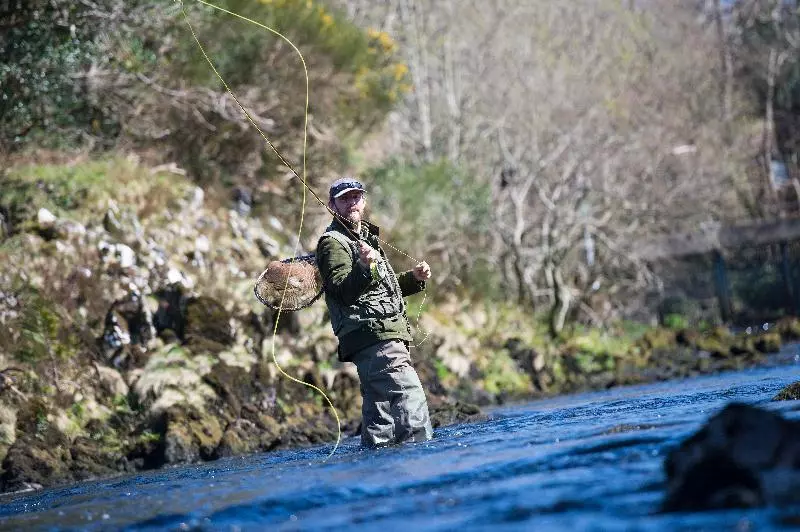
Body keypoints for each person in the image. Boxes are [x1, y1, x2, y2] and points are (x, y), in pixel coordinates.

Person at [316, 177, 434, 447]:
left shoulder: (365, 238)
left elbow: (382, 288)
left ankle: (375, 471)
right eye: (344, 199)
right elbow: (342, 290)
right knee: (409, 395)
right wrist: (364, 266)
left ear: (364, 202)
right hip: (375, 337)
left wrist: (414, 278)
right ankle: (421, 458)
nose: (351, 203)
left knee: (381, 419)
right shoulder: (332, 243)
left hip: (375, 337)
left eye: (356, 197)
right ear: (332, 205)